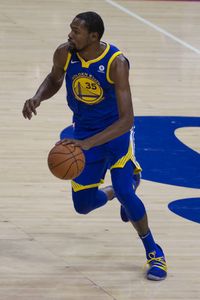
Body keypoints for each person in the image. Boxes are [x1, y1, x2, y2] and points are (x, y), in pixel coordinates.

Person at [22, 11, 167, 281]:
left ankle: (154, 252)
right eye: (70, 29)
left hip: (115, 134)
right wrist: (37, 97)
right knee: (83, 205)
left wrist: (85, 145)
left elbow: (127, 120)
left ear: (93, 36)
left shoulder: (116, 63)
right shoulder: (65, 53)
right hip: (84, 132)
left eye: (76, 31)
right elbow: (55, 79)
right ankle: (116, 190)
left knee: (127, 193)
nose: (70, 34)